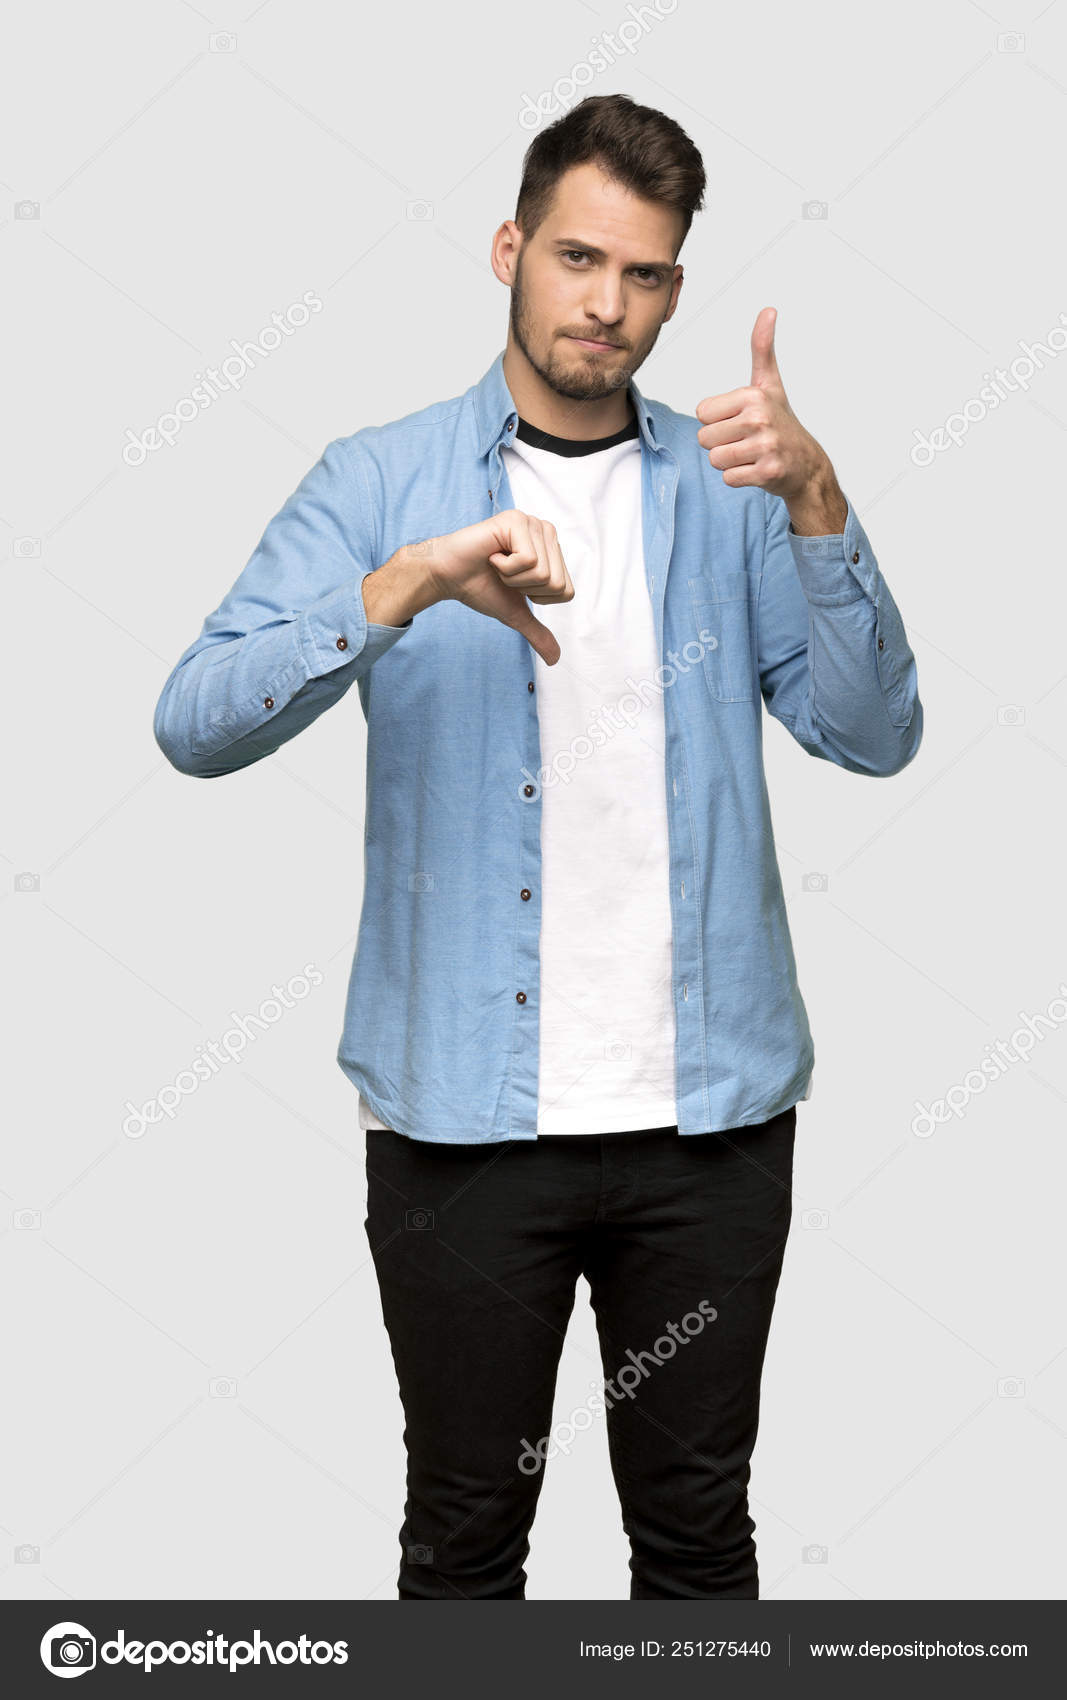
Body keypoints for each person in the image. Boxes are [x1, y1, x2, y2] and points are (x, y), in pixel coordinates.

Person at [154, 93, 922, 1600]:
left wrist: (824, 501)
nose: (606, 304)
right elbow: (194, 723)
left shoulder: (736, 490)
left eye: (644, 275)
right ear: (511, 249)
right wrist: (403, 587)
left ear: (677, 289)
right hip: (462, 1134)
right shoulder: (379, 480)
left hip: (709, 1127)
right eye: (577, 259)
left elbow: (873, 733)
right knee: (462, 1549)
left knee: (700, 1551)